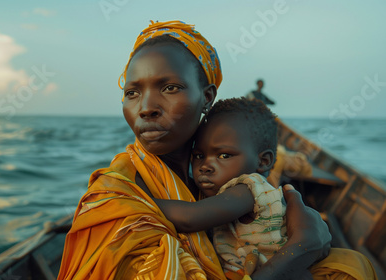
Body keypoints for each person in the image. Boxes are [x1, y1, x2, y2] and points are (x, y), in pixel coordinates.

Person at [58, 20, 377, 280]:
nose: (146, 108)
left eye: (170, 88)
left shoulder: (224, 180)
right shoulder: (112, 201)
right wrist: (302, 247)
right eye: (132, 92)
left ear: (207, 97)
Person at [153, 97, 311, 279]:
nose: (205, 166)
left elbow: (190, 217)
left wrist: (135, 197)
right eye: (198, 155)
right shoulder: (223, 193)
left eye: (224, 155)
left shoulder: (248, 188)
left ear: (263, 161)